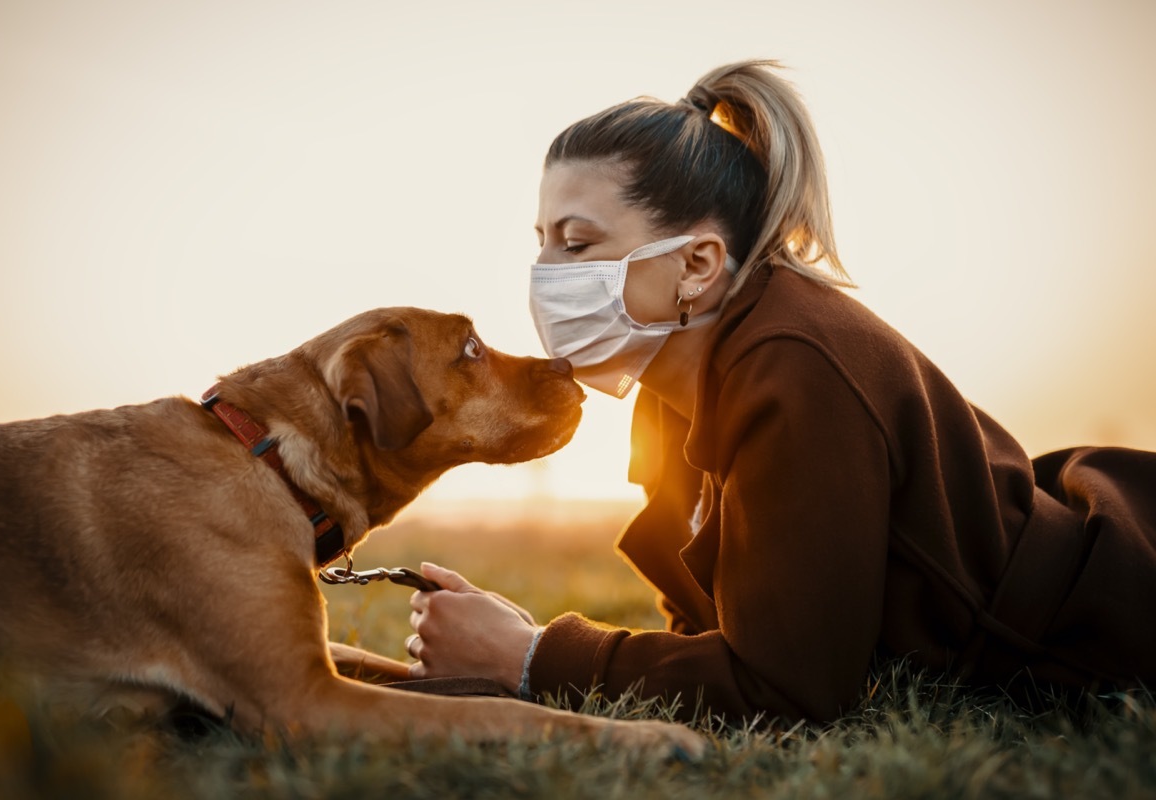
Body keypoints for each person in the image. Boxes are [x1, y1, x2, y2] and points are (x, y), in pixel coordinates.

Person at [402, 60, 1156, 723]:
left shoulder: (794, 364)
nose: (547, 274)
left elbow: (787, 690)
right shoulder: (669, 385)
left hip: (1108, 624)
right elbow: (715, 639)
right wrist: (520, 647)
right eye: (541, 242)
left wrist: (533, 657)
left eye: (577, 243)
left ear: (697, 265)